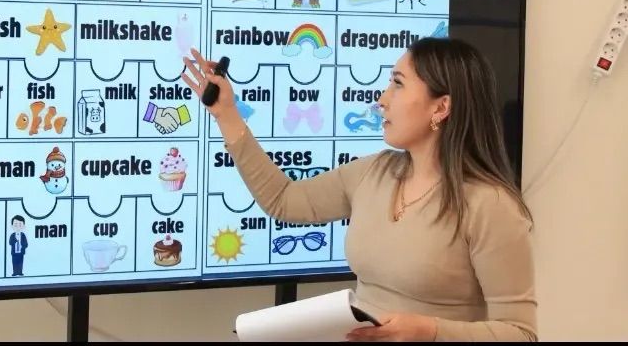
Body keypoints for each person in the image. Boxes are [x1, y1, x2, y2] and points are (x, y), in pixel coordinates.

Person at [181, 37, 536, 342]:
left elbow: (521, 333)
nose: (382, 99)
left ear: (441, 107)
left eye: (398, 84)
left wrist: (430, 331)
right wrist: (226, 113)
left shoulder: (490, 204)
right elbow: (283, 200)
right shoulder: (374, 172)